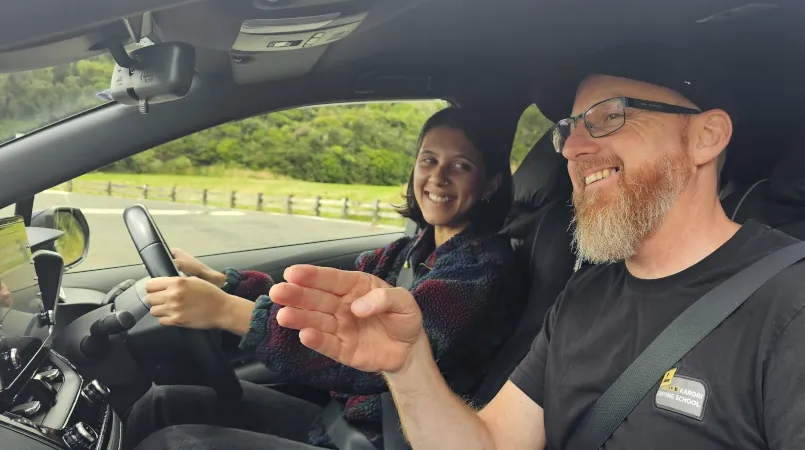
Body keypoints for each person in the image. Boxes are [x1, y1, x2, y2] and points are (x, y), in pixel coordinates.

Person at [263, 46, 805, 450]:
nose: (575, 148)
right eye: (568, 127)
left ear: (705, 137)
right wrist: (408, 364)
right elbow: (490, 442)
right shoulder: (582, 299)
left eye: (609, 116)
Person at [127, 106, 524, 450]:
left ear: (491, 183)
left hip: (390, 439)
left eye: (461, 166)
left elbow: (370, 356)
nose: (438, 177)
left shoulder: (481, 272)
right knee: (161, 404)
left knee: (170, 445)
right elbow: (321, 297)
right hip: (341, 424)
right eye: (428, 160)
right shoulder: (411, 250)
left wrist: (228, 312)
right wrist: (226, 284)